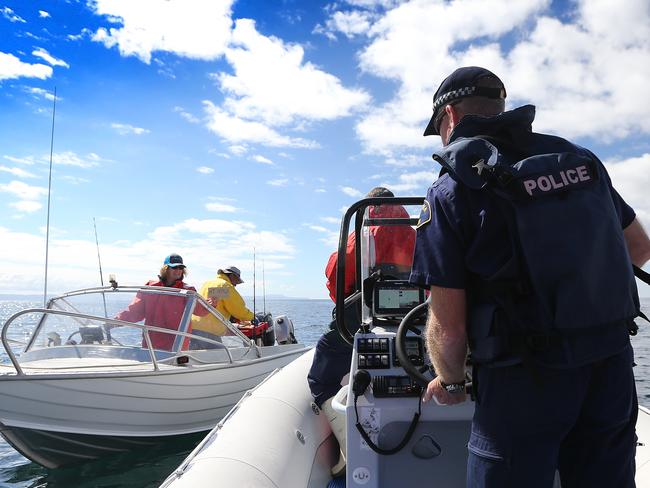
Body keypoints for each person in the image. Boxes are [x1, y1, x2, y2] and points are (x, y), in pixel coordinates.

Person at [410, 66, 650, 487]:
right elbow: (640, 247)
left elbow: (449, 328)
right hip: (610, 368)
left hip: (522, 382)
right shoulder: (578, 159)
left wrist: (450, 382)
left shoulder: (453, 186)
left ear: (449, 115)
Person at [309, 186, 416, 476]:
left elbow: (336, 279)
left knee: (322, 375)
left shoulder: (360, 235)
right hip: (415, 320)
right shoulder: (419, 234)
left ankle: (348, 442)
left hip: (363, 319)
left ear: (370, 206)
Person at [115, 253, 204, 351]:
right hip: (152, 343)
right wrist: (116, 321)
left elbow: (200, 310)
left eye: (180, 267)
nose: (178, 270)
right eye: (174, 267)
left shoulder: (188, 291)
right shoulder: (151, 287)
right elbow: (135, 311)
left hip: (176, 345)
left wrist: (212, 302)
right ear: (166, 269)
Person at [190, 265, 256, 349]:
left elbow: (216, 303)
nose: (236, 285)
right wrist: (252, 317)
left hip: (194, 328)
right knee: (221, 357)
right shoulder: (224, 285)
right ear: (231, 276)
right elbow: (238, 310)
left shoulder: (208, 283)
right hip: (209, 331)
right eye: (236, 281)